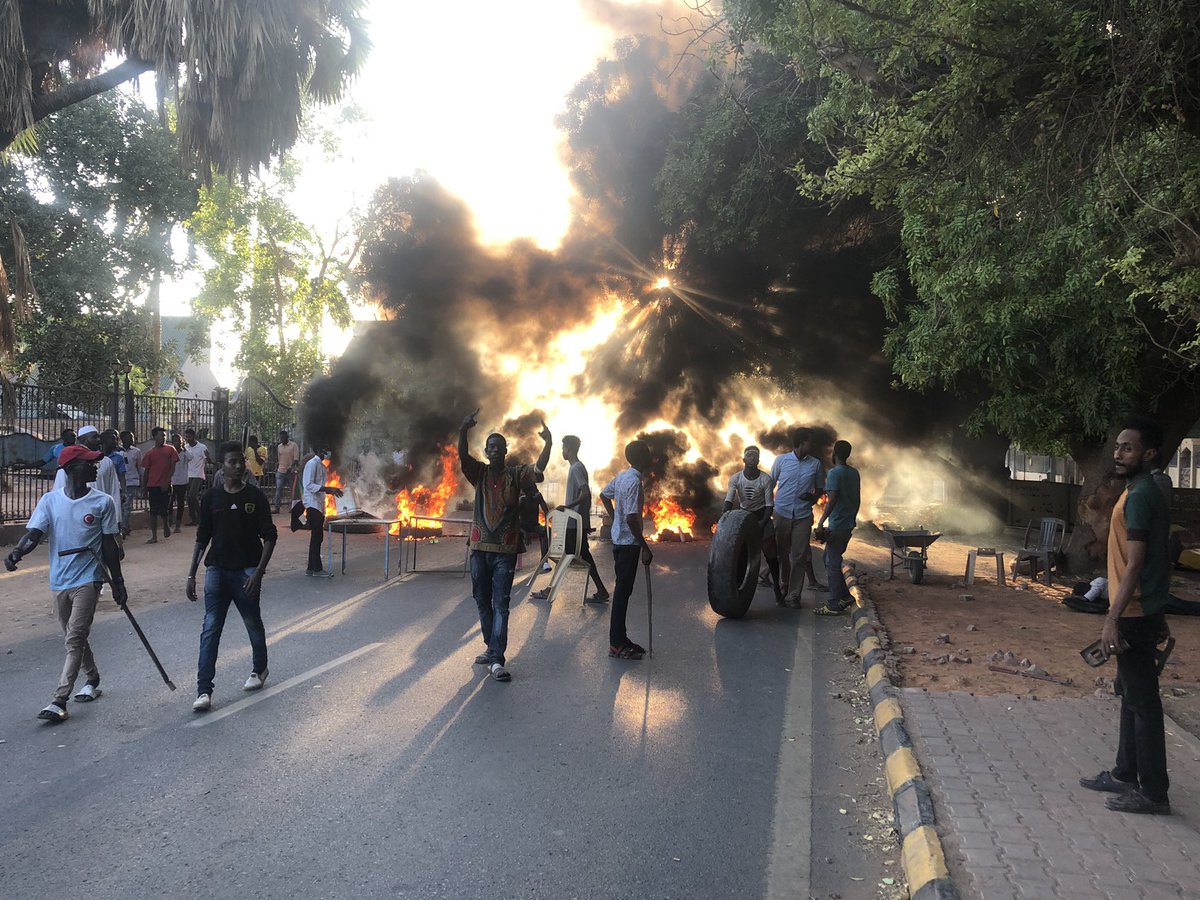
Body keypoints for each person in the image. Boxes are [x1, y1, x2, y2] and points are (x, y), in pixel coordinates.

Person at [1080, 416, 1173, 815]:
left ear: (1149, 454)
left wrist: (1112, 618)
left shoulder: (1140, 496)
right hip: (1139, 609)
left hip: (1133, 613)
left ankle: (1153, 794)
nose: (1118, 454)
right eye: (1117, 446)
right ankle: (1124, 773)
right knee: (1131, 697)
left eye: (1128, 448)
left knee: (1143, 704)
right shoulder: (1139, 490)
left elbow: (1135, 564)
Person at [5, 444, 127, 722]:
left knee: (74, 637)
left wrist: (118, 581)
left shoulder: (102, 502)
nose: (95, 466)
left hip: (89, 578)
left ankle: (59, 699)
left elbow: (109, 545)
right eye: (89, 463)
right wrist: (16, 552)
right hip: (60, 580)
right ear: (72, 468)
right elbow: (34, 534)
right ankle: (92, 678)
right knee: (74, 637)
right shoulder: (51, 501)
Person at [458, 409, 552, 682]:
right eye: (491, 447)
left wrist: (549, 444)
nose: (495, 450)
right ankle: (491, 647)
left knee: (501, 604)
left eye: (499, 446)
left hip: (505, 552)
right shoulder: (479, 473)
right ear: (486, 452)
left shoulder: (516, 474)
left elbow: (538, 469)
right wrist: (463, 430)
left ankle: (497, 659)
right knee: (481, 600)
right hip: (479, 548)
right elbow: (463, 456)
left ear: (506, 450)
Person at [186, 442, 278, 712]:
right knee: (210, 629)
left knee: (252, 623)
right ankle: (204, 690)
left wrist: (259, 573)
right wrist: (191, 573)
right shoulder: (212, 498)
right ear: (222, 466)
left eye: (241, 461)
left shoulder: (255, 497)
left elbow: (270, 537)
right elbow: (203, 537)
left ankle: (259, 669)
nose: (238, 466)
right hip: (216, 570)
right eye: (232, 462)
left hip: (247, 570)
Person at [600, 440, 654, 660]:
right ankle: (616, 644)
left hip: (619, 542)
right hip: (628, 545)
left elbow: (604, 494)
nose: (650, 458)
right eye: (647, 454)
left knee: (624, 592)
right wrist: (645, 547)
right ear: (640, 457)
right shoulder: (633, 482)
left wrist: (615, 519)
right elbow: (632, 518)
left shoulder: (623, 476)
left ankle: (621, 639)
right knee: (622, 593)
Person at [541, 434, 609, 602]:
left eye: (563, 448)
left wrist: (567, 506)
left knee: (566, 556)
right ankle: (601, 590)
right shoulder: (576, 467)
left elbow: (585, 493)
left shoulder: (576, 467)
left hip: (574, 523)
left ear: (569, 450)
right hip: (576, 522)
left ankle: (550, 590)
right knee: (581, 556)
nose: (562, 451)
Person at [769, 427, 825, 608]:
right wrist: (768, 509)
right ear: (802, 442)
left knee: (799, 556)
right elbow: (769, 486)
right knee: (781, 554)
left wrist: (812, 498)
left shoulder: (815, 464)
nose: (812, 445)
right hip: (781, 513)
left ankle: (794, 595)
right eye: (810, 441)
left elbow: (819, 489)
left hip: (802, 515)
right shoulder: (781, 461)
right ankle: (784, 587)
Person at [723, 445, 782, 604]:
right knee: (742, 554)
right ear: (743, 459)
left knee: (771, 553)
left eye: (755, 456)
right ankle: (737, 589)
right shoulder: (735, 478)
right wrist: (725, 513)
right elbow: (729, 499)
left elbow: (770, 505)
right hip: (744, 516)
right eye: (749, 455)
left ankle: (777, 587)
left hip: (762, 514)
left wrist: (762, 524)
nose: (752, 458)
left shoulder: (765, 479)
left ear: (758, 460)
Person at [813, 440, 861, 616]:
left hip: (838, 524)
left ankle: (833, 604)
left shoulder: (835, 473)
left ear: (835, 453)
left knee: (832, 562)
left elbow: (832, 499)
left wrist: (820, 522)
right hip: (847, 523)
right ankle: (845, 597)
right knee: (829, 557)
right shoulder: (854, 473)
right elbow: (857, 499)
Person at [293, 443, 343, 576]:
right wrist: (328, 489)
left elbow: (320, 486)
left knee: (317, 537)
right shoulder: (312, 463)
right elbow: (308, 485)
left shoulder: (321, 465)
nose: (326, 452)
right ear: (317, 450)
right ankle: (316, 569)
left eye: (327, 449)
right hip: (312, 505)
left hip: (319, 505)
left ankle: (311, 568)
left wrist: (331, 491)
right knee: (317, 537)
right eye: (323, 450)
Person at [53, 425, 122, 513]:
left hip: (101, 511)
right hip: (75, 512)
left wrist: (117, 516)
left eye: (98, 437)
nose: (98, 440)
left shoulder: (106, 461)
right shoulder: (70, 461)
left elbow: (114, 490)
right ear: (82, 440)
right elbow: (59, 492)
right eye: (94, 437)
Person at [140, 427, 179, 543]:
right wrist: (144, 487)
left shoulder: (170, 450)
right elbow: (146, 472)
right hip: (153, 485)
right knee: (153, 511)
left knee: (164, 509)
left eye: (164, 435)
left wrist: (167, 481)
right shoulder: (149, 453)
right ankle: (154, 536)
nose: (164, 437)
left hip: (165, 484)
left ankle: (166, 526)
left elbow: (173, 467)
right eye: (161, 435)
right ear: (154, 437)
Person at [517, 484, 550, 571]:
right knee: (514, 533)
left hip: (534, 525)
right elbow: (514, 520)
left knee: (545, 531)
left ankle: (544, 561)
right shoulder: (522, 500)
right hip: (522, 526)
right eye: (532, 491)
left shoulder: (538, 497)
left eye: (535, 491)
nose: (535, 493)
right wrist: (524, 532)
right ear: (526, 493)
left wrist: (547, 524)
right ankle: (513, 562)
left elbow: (547, 512)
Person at [182, 428, 210, 525]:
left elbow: (209, 460)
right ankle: (194, 519)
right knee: (189, 498)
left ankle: (201, 516)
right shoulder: (185, 447)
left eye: (189, 436)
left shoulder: (202, 447)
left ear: (194, 436)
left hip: (198, 474)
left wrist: (209, 457)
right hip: (188, 474)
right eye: (186, 437)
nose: (187, 438)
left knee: (192, 495)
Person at [120, 431, 142, 534]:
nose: (132, 439)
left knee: (127, 505)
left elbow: (139, 467)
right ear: (123, 439)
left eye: (132, 437)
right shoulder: (118, 451)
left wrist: (141, 482)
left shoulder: (136, 451)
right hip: (120, 482)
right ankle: (126, 525)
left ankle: (124, 528)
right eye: (130, 437)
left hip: (132, 481)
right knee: (121, 505)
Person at [273, 430, 300, 513]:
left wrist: (291, 467)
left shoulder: (294, 445)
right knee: (278, 489)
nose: (282, 439)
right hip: (280, 471)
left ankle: (294, 508)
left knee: (293, 491)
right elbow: (279, 458)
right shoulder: (279, 447)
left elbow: (296, 459)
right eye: (281, 437)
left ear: (287, 437)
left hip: (290, 472)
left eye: (283, 437)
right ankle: (277, 508)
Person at [169, 432, 190, 530]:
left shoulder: (184, 452)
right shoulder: (170, 452)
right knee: (169, 502)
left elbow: (191, 458)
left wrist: (184, 449)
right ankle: (169, 520)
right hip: (171, 481)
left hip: (182, 481)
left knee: (181, 503)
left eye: (179, 441)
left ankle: (178, 524)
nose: (177, 443)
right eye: (175, 441)